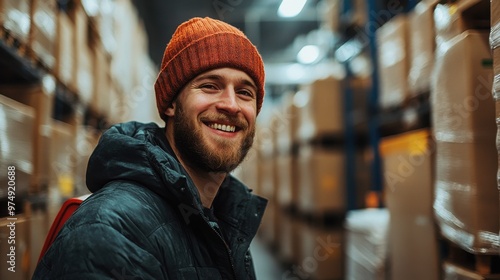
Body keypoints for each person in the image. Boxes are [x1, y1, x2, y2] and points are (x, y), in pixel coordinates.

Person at [33, 17, 267, 279]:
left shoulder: (223, 221)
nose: (231, 105)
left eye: (245, 92)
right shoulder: (112, 232)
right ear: (171, 105)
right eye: (210, 86)